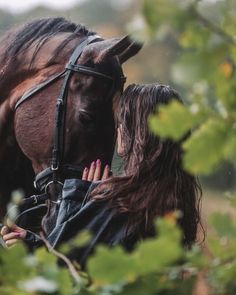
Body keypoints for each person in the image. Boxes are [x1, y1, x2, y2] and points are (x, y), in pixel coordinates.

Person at [1, 84, 202, 266]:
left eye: (123, 122)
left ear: (138, 134)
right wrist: (32, 244)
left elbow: (62, 268)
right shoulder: (175, 205)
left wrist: (78, 200)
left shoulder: (120, 203)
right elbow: (91, 260)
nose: (118, 130)